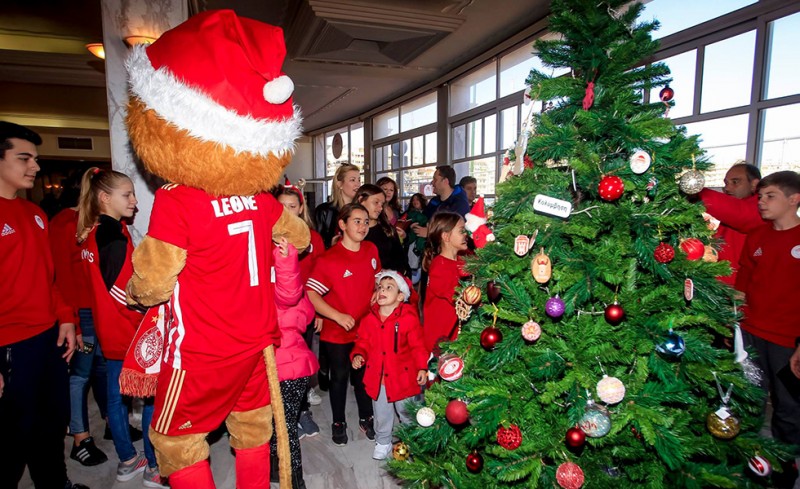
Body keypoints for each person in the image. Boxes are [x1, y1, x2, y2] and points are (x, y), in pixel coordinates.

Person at [0, 121, 86, 489]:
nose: (35, 166)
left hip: (45, 339)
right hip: (8, 347)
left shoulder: (34, 213)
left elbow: (49, 278)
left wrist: (65, 318)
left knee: (51, 423)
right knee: (9, 438)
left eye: (35, 158)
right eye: (24, 158)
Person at [76, 167, 166, 487]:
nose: (134, 201)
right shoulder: (112, 234)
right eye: (127, 195)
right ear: (105, 198)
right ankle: (155, 466)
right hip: (130, 331)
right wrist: (152, 304)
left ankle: (128, 461)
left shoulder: (91, 231)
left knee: (116, 399)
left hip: (108, 330)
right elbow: (120, 289)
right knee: (151, 395)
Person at [736, 171, 800, 486]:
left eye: (769, 196)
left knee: (788, 409)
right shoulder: (757, 236)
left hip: (790, 342)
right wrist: (733, 322)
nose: (761, 202)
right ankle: (752, 461)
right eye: (760, 196)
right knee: (751, 400)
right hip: (751, 334)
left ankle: (785, 465)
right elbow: (743, 285)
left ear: (794, 199)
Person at [305, 203, 380, 446]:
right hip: (337, 332)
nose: (362, 226)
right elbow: (311, 294)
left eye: (366, 221)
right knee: (340, 377)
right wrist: (336, 316)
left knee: (363, 375)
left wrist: (377, 293)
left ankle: (366, 417)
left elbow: (376, 279)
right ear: (342, 224)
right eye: (356, 220)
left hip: (365, 328)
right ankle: (339, 422)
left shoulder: (370, 250)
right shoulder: (330, 259)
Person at [49, 185, 109, 467]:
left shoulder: (92, 220)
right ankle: (80, 437)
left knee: (100, 368)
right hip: (81, 312)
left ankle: (110, 422)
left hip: (97, 309)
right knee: (80, 374)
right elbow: (58, 274)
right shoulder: (64, 222)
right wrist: (71, 319)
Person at [351, 270, 428, 460]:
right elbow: (362, 342)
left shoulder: (408, 319)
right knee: (381, 414)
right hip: (379, 380)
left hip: (404, 378)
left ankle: (411, 442)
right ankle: (383, 441)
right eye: (379, 288)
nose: (382, 291)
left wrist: (422, 367)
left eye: (389, 287)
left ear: (400, 296)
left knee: (407, 413)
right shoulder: (369, 320)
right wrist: (359, 354)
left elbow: (418, 346)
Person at [269, 237, 319, 489]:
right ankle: (284, 474)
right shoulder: (294, 290)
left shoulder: (274, 290)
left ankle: (292, 478)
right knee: (282, 425)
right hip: (295, 365)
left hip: (282, 367)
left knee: (280, 426)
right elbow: (307, 313)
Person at [274, 179, 325, 411]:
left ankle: (301, 404)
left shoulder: (312, 238)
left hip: (305, 307)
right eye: (281, 206)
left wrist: (319, 310)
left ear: (301, 208)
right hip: (278, 311)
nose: (287, 211)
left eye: (292, 206)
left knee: (302, 354)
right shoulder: (269, 236)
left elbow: (320, 276)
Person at [699, 162, 763, 286]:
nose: (727, 188)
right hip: (722, 289)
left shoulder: (759, 208)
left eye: (735, 182)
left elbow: (740, 214)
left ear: (754, 184)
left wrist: (695, 192)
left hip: (739, 291)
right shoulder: (732, 215)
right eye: (726, 183)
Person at [421, 212, 470, 353]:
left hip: (457, 333)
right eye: (461, 231)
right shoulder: (439, 267)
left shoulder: (462, 259)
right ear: (446, 237)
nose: (466, 234)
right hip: (442, 337)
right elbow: (458, 295)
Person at [357, 184, 408, 276]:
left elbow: (401, 260)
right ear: (361, 200)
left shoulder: (387, 230)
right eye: (376, 202)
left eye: (382, 204)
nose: (380, 208)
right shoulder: (352, 231)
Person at [411, 165, 470, 239]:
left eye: (435, 180)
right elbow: (424, 219)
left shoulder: (460, 204)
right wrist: (415, 225)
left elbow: (456, 231)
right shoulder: (434, 201)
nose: (432, 183)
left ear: (445, 181)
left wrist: (430, 232)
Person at [315, 163, 360, 248]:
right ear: (339, 184)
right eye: (352, 180)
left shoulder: (361, 211)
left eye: (359, 180)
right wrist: (330, 245)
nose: (357, 184)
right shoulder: (324, 211)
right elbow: (316, 242)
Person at [403, 193, 428, 284]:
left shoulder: (428, 213)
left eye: (417, 199)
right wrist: (409, 226)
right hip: (412, 243)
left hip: (423, 243)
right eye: (413, 200)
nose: (415, 202)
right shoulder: (409, 214)